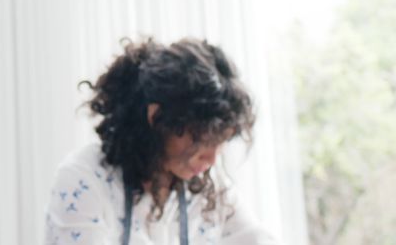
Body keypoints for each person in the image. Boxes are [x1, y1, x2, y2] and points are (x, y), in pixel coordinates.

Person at [44, 38, 277, 244]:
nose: (212, 158)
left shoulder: (208, 188)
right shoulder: (84, 179)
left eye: (221, 141)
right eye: (201, 139)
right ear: (157, 117)